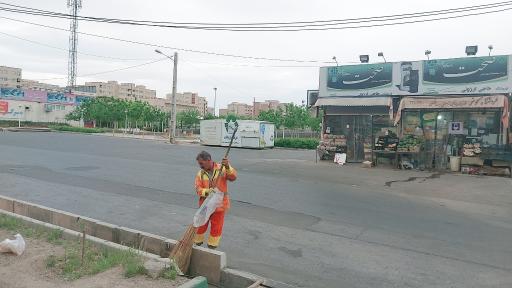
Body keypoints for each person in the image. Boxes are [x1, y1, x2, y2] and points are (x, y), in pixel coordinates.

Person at [194, 151, 237, 249]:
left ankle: (212, 246)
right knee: (201, 225)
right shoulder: (200, 173)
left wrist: (227, 166)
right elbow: (197, 188)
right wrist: (207, 192)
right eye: (199, 164)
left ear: (208, 160)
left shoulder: (221, 168)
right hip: (205, 205)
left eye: (201, 163)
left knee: (216, 227)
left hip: (219, 205)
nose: (200, 166)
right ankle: (197, 243)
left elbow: (233, 177)